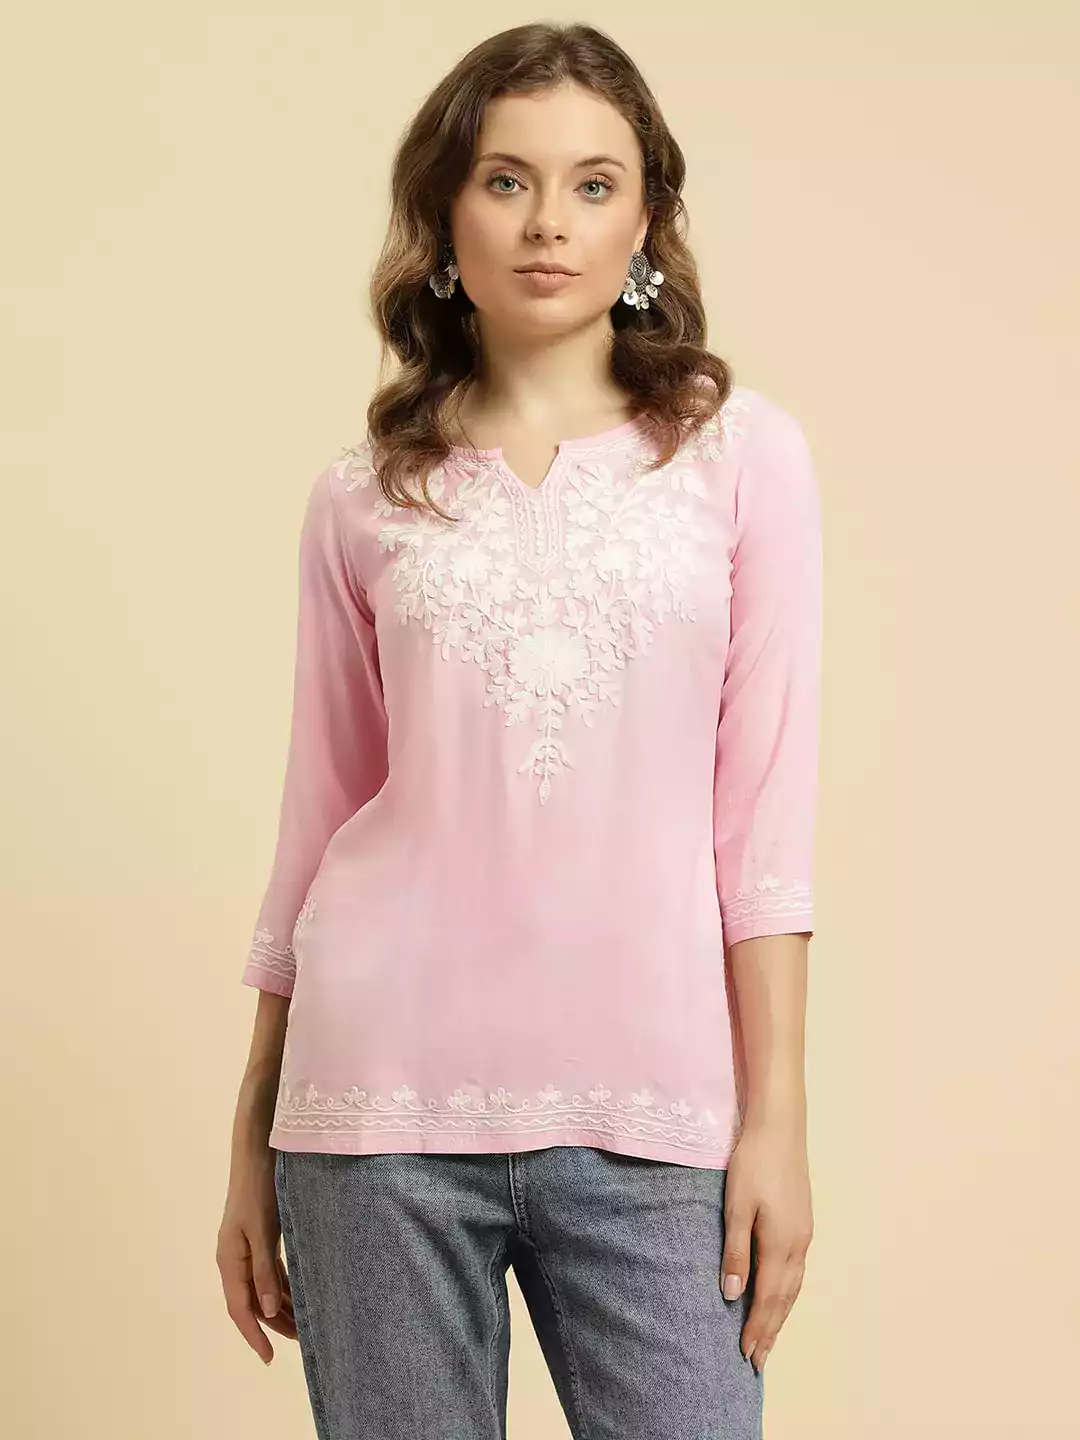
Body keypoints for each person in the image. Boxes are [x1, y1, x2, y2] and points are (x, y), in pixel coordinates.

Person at [217, 20, 823, 1440]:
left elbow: (763, 824)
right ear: (445, 215)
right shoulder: (366, 493)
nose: (550, 221)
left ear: (646, 221)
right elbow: (319, 816)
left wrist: (777, 1120)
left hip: (655, 1112)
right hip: (375, 1109)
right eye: (507, 180)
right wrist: (250, 1126)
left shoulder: (740, 459)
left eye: (593, 184)